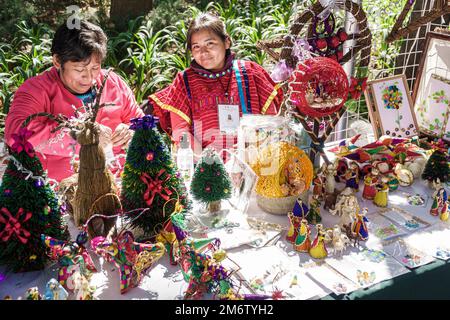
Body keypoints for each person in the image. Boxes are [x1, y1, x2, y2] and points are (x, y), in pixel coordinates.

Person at [5, 20, 144, 181]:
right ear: (57, 61)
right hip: (58, 191)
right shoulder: (36, 89)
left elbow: (142, 124)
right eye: (79, 69)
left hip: (117, 184)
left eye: (95, 68)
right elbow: (15, 133)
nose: (89, 76)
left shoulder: (113, 82)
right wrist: (80, 136)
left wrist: (132, 132)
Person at [149, 12, 283, 157]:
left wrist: (252, 152)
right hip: (205, 168)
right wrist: (208, 165)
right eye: (196, 47)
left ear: (227, 42)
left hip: (255, 163)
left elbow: (272, 122)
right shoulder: (184, 81)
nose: (203, 52)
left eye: (210, 44)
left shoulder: (251, 73)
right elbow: (180, 131)